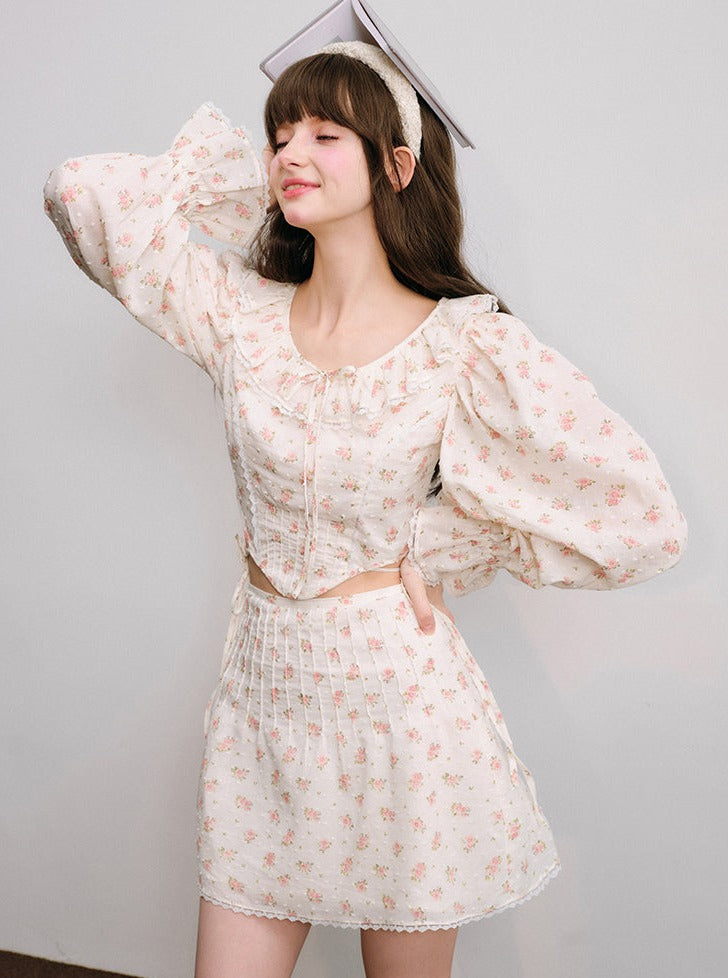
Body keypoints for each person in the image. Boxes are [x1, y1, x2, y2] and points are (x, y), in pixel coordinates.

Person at [43, 42, 686, 978]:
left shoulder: (462, 344)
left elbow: (640, 518)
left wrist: (437, 547)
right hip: (264, 703)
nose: (289, 152)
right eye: (279, 135)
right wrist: (241, 182)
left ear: (397, 165)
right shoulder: (237, 316)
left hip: (403, 713)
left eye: (325, 134)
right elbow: (78, 193)